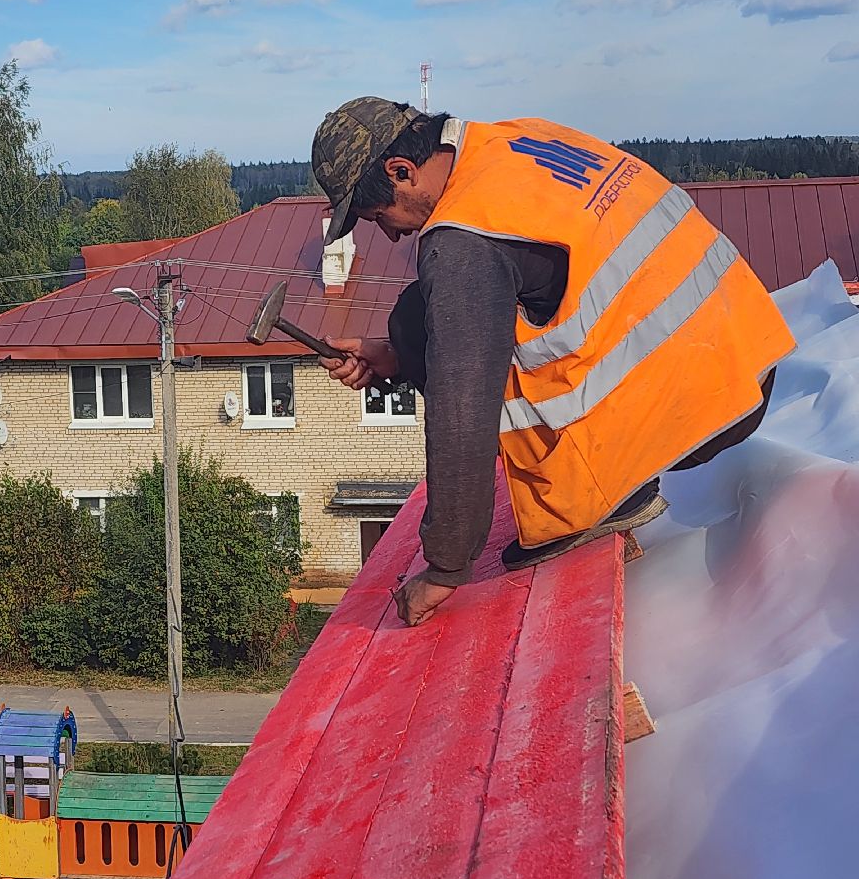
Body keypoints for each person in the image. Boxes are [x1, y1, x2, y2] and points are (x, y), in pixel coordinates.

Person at [311, 97, 795, 627]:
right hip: (742, 353)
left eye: (380, 214)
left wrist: (446, 567)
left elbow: (461, 413)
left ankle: (599, 501)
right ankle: (610, 471)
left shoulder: (461, 244)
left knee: (437, 330)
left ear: (401, 170)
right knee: (414, 318)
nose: (392, 234)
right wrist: (396, 358)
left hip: (695, 405)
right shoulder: (512, 138)